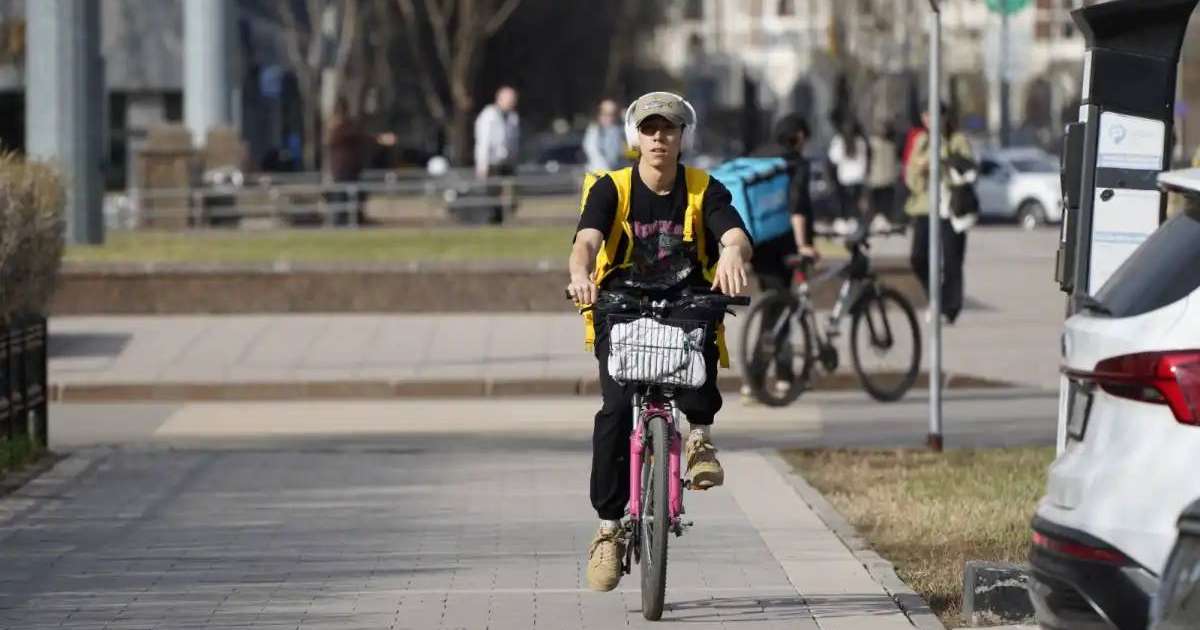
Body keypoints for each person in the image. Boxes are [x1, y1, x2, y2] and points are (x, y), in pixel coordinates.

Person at [566, 91, 753, 592]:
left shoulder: (702, 187)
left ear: (680, 137)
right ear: (635, 137)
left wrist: (734, 253)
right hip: (622, 301)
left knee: (700, 331)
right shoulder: (613, 188)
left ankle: (698, 436)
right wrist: (581, 274)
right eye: (649, 129)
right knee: (612, 412)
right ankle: (608, 530)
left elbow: (732, 231)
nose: (658, 138)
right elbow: (586, 240)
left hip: (682, 297)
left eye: (668, 129)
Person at [744, 113, 818, 398]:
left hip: (759, 244)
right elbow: (797, 205)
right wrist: (803, 245)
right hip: (784, 245)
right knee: (779, 310)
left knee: (777, 307)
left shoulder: (758, 158)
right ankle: (758, 378)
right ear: (798, 136)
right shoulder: (794, 162)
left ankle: (782, 375)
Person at [905, 103, 973, 325]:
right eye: (926, 115)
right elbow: (910, 179)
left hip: (951, 208)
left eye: (935, 115)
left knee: (952, 260)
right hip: (926, 207)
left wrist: (941, 156)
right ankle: (936, 298)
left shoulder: (957, 140)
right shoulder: (920, 141)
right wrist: (920, 169)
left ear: (944, 117)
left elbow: (968, 169)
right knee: (918, 257)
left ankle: (949, 308)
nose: (930, 120)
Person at [473, 85, 520, 223]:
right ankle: (494, 220)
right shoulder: (488, 116)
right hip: (492, 162)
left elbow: (514, 142)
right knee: (492, 193)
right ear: (499, 99)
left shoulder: (512, 117)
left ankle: (505, 217)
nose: (512, 103)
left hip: (507, 162)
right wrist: (482, 164)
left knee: (512, 192)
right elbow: (483, 142)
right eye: (509, 100)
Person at [324, 97, 368, 225]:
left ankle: (349, 220)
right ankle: (339, 221)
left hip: (347, 169)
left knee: (350, 196)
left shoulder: (342, 127)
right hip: (343, 170)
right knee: (342, 196)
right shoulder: (341, 129)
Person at [828, 118, 869, 234]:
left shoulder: (839, 140)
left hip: (844, 178)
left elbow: (833, 158)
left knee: (845, 204)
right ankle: (856, 226)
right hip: (858, 178)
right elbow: (864, 161)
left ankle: (846, 226)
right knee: (855, 206)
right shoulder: (861, 141)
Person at [865, 122, 900, 229]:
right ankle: (880, 220)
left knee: (883, 202)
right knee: (881, 202)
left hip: (882, 178)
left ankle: (882, 220)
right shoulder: (888, 144)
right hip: (881, 178)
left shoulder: (887, 144)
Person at [583, 99, 626, 172]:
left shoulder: (617, 130)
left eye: (613, 114)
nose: (610, 118)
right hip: (598, 173)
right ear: (599, 114)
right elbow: (594, 153)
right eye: (606, 114)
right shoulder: (594, 131)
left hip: (614, 172)